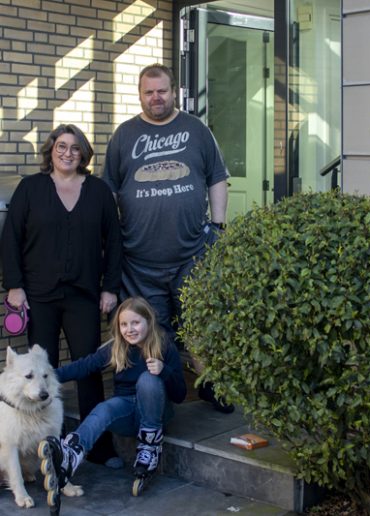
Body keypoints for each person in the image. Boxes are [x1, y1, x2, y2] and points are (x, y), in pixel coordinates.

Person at [102, 63, 233, 413]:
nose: (155, 97)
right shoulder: (124, 135)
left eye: (162, 90)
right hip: (139, 261)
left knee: (199, 327)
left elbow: (216, 178)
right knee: (151, 331)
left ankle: (210, 386)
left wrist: (217, 228)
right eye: (149, 92)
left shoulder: (195, 130)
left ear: (173, 91)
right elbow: (109, 192)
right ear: (140, 94)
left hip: (192, 253)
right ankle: (155, 398)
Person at [1, 123, 122, 465]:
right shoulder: (31, 188)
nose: (68, 153)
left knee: (88, 369)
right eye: (61, 147)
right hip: (38, 296)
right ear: (51, 151)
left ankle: (98, 446)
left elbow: (113, 242)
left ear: (83, 153)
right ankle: (46, 449)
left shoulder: (98, 191)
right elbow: (10, 239)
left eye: (75, 148)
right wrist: (14, 285)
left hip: (83, 295)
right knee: (41, 372)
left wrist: (110, 287)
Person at [38, 296, 186, 501]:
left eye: (135, 323)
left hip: (156, 412)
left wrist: (164, 371)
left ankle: (150, 448)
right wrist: (45, 377)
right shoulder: (117, 347)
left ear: (148, 322)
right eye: (124, 324)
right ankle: (72, 453)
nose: (129, 329)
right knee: (105, 408)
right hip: (126, 413)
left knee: (148, 380)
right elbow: (84, 366)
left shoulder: (164, 346)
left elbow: (180, 395)